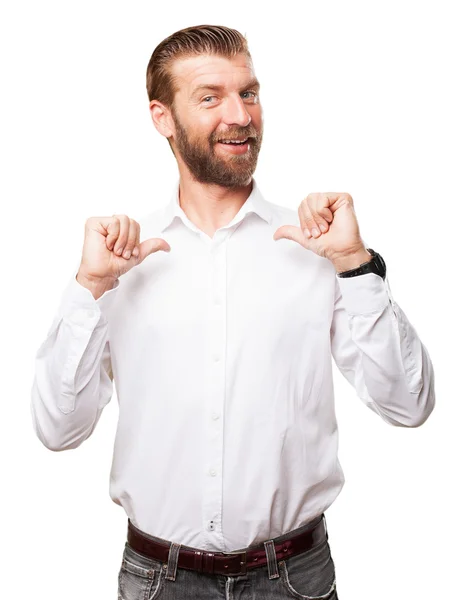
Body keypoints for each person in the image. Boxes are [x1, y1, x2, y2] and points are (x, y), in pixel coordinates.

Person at [30, 24, 435, 600]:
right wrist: (89, 288)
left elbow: (410, 405)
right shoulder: (118, 262)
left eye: (248, 93)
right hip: (157, 582)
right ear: (161, 116)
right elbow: (57, 430)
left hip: (295, 578)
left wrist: (354, 263)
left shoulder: (317, 249)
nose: (240, 116)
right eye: (210, 97)